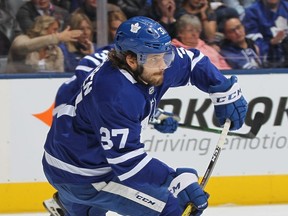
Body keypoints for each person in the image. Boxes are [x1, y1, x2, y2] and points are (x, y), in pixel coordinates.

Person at [42, 16, 248, 216]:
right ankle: (75, 199)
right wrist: (173, 180)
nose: (163, 66)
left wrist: (222, 89)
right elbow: (127, 162)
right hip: (83, 175)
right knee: (175, 207)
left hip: (65, 156)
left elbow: (194, 62)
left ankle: (71, 206)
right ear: (131, 59)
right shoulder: (115, 92)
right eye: (155, 60)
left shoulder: (149, 58)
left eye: (165, 56)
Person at [6, 15, 82, 73]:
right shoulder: (22, 39)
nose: (57, 34)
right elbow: (24, 47)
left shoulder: (56, 51)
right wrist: (56, 38)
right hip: (16, 87)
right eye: (54, 30)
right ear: (43, 29)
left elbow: (59, 75)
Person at [242, 0, 288, 68]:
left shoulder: (286, 6)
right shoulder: (252, 11)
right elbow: (252, 42)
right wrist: (272, 42)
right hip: (268, 60)